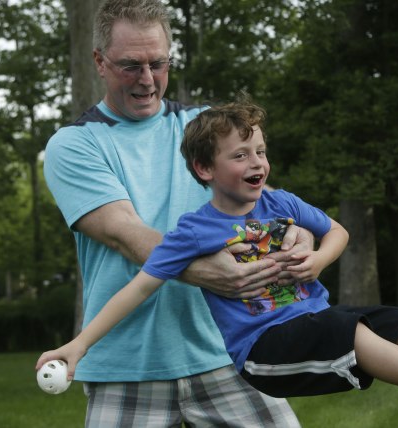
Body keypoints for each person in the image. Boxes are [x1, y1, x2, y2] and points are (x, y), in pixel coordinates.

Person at [38, 98, 398, 428]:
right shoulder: (194, 232)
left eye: (261, 152)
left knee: (396, 319)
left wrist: (318, 259)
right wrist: (79, 344)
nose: (257, 163)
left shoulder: (282, 202)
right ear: (204, 168)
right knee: (348, 326)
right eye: (241, 155)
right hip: (264, 350)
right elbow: (139, 287)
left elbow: (337, 232)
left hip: (311, 324)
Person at [40, 0, 308, 426]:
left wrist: (298, 235)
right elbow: (124, 232)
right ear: (100, 62)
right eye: (130, 65)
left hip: (228, 347)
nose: (147, 80)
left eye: (158, 63)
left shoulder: (206, 126)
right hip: (127, 364)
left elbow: (263, 200)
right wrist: (211, 272)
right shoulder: (75, 144)